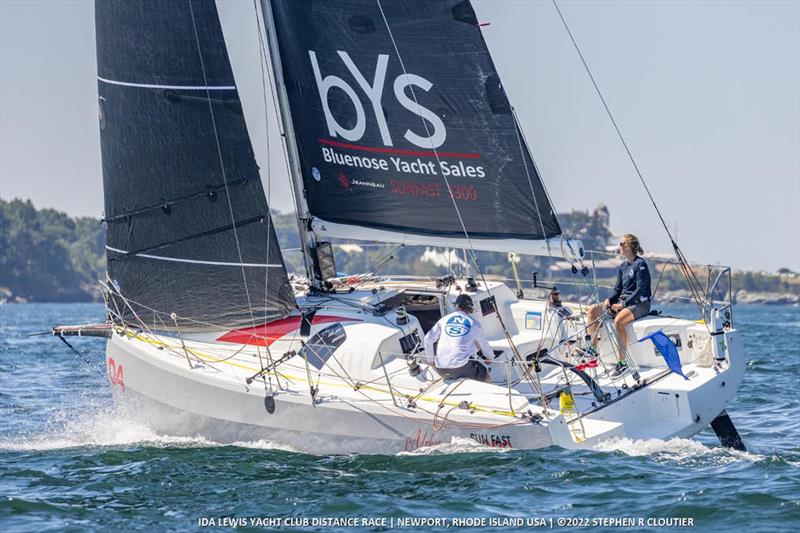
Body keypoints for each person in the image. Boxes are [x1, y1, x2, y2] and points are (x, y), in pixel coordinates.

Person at [587, 234, 652, 376]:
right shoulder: (623, 266)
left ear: (631, 247)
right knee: (592, 311)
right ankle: (593, 350)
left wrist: (623, 304)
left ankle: (622, 363)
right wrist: (609, 300)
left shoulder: (641, 265)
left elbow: (640, 289)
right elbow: (617, 288)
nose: (620, 246)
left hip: (640, 303)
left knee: (619, 321)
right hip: (623, 302)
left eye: (623, 244)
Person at [423, 294, 493, 383]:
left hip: (441, 369)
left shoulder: (443, 320)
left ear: (456, 306)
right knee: (486, 377)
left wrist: (431, 361)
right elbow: (484, 346)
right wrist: (490, 358)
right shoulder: (475, 324)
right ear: (470, 308)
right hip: (461, 368)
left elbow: (427, 339)